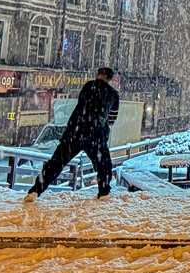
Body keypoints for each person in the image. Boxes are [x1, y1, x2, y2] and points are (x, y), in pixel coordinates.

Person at [24, 67, 120, 203]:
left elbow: (82, 103)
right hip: (96, 135)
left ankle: (36, 190)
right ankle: (104, 192)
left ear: (98, 75)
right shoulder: (113, 94)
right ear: (110, 79)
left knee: (56, 162)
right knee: (104, 164)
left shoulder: (88, 86)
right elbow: (111, 119)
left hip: (75, 131)